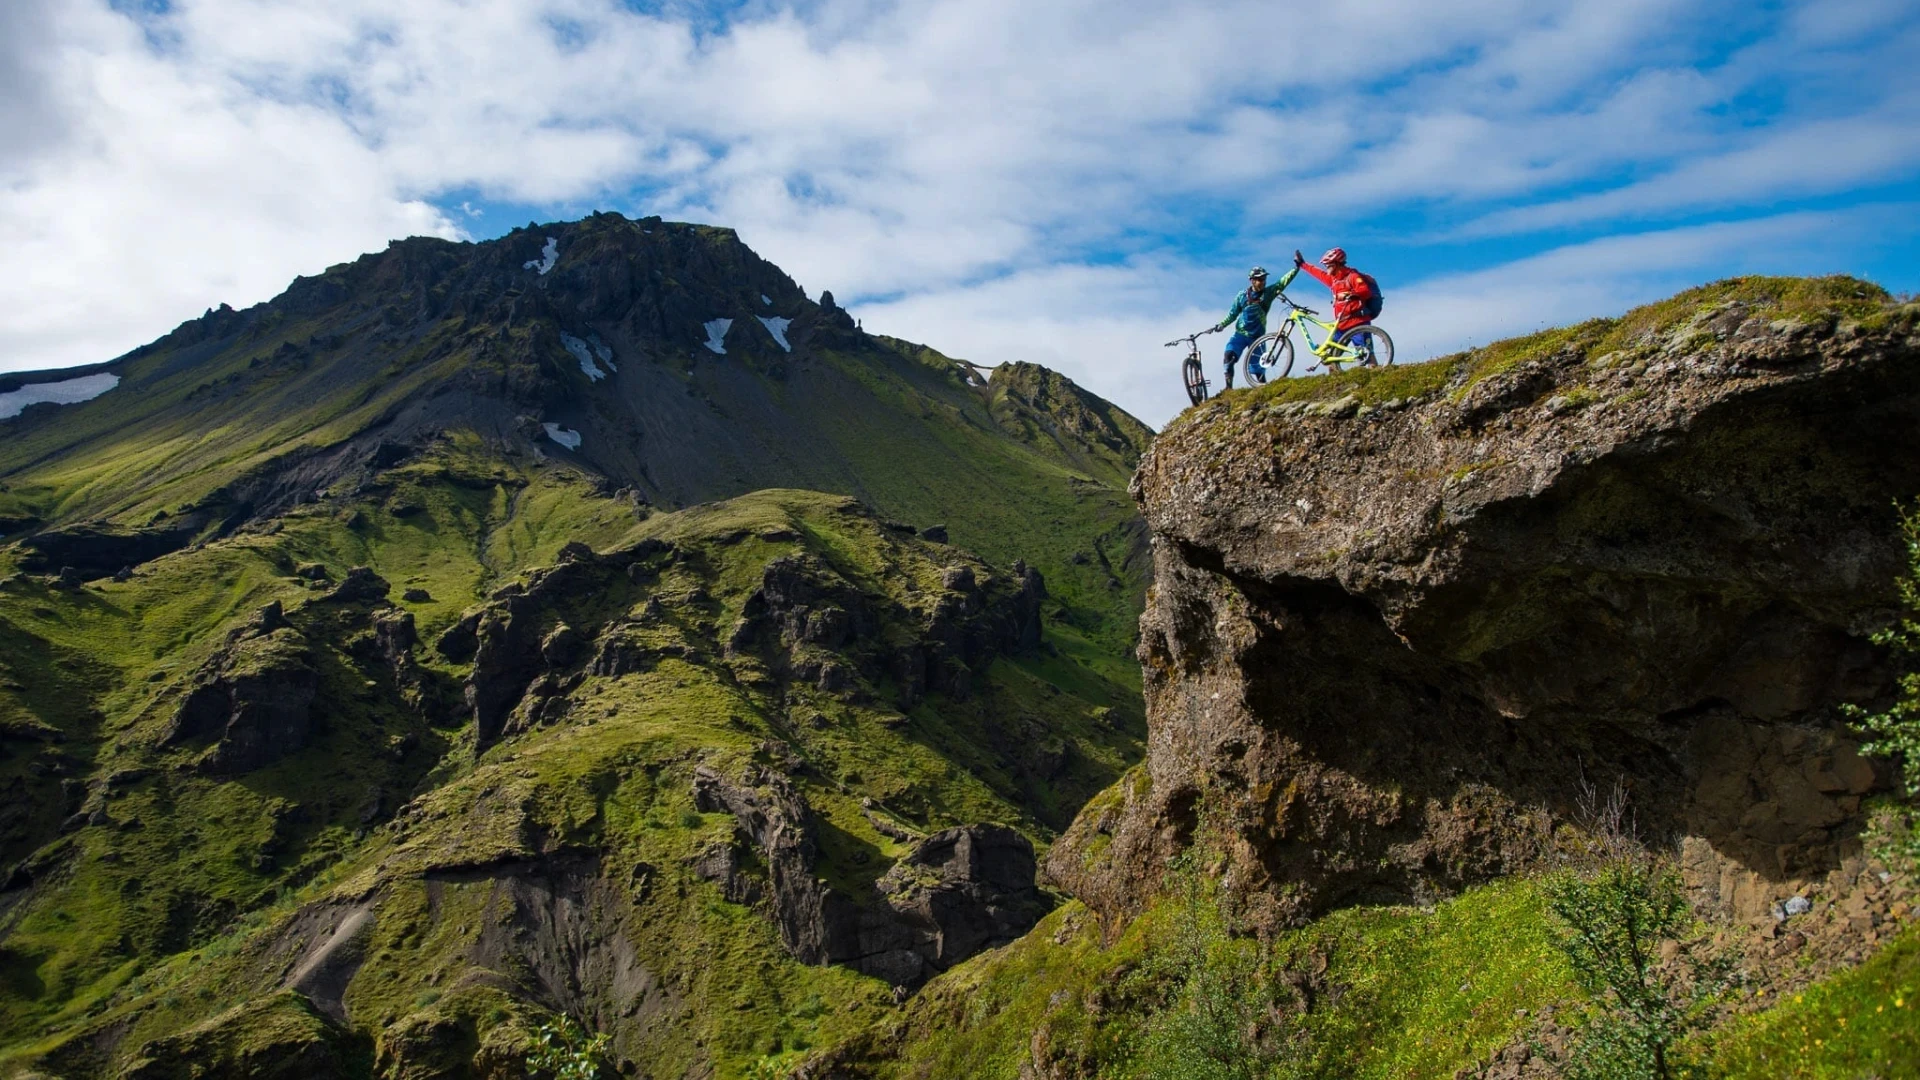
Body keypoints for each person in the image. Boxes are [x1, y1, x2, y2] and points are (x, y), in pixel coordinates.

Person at [1214, 264, 1299, 388]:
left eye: (1264, 279)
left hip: (1258, 338)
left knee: (1259, 371)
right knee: (1228, 356)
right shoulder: (1242, 296)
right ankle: (1228, 389)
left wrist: (1296, 268)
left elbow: (1282, 283)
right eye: (1259, 279)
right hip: (1240, 335)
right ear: (1252, 281)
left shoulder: (1268, 293)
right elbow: (1232, 314)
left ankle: (1263, 389)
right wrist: (1222, 324)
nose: (1262, 282)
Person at [1294, 247, 1378, 360]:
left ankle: (1376, 374)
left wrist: (1350, 294)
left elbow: (1365, 291)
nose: (1326, 267)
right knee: (1331, 357)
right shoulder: (1334, 280)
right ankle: (1335, 377)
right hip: (1341, 325)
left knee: (1367, 354)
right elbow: (1318, 273)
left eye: (1328, 264)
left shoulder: (1352, 276)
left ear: (1337, 264)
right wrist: (1302, 264)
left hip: (1358, 322)